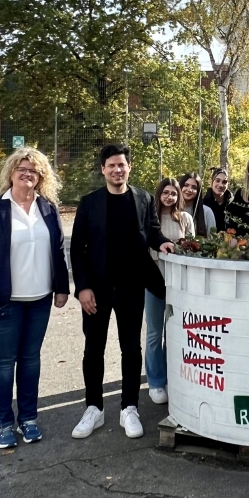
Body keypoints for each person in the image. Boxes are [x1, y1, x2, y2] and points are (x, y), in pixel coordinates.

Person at [71, 144, 174, 442]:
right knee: (94, 350)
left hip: (132, 287)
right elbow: (78, 249)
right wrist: (83, 288)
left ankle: (129, 407)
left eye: (122, 165)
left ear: (129, 168)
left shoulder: (143, 198)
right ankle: (94, 407)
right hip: (97, 290)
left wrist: (163, 242)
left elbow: (152, 231)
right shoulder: (89, 203)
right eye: (111, 165)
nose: (117, 170)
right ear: (103, 169)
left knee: (131, 349)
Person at [0, 148, 69, 449]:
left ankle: (28, 419)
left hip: (40, 298)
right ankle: (2, 423)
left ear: (41, 178)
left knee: (30, 361)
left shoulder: (48, 209)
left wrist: (62, 287)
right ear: (11, 173)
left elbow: (59, 250)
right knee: (4, 362)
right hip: (4, 301)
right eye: (22, 169)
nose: (27, 174)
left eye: (34, 171)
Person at [144, 178, 195, 405]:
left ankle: (172, 379)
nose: (169, 197)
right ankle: (155, 382)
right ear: (159, 194)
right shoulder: (149, 219)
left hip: (178, 284)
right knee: (155, 334)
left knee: (174, 333)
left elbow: (192, 249)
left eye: (173, 194)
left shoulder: (185, 219)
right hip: (154, 281)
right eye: (165, 192)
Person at [178, 171, 216, 235]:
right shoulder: (172, 210)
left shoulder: (207, 212)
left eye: (194, 187)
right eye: (186, 185)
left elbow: (212, 239)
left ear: (198, 191)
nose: (189, 190)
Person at [203, 168, 233, 233]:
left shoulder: (233, 204)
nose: (221, 185)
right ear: (211, 182)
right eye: (217, 181)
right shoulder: (204, 204)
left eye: (224, 182)